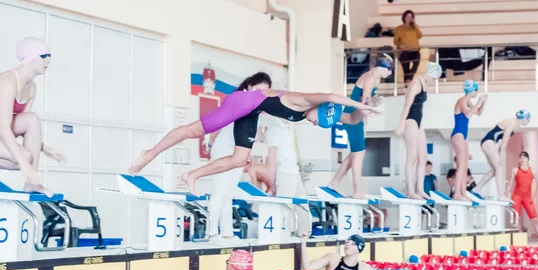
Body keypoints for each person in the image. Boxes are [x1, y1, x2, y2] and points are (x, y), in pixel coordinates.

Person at [129, 80, 385, 194]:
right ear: (318, 108)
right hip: (244, 103)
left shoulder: (313, 113)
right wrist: (362, 104)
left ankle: (191, 175)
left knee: (240, 159)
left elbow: (351, 119)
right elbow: (332, 96)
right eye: (320, 120)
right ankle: (148, 154)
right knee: (194, 130)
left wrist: (367, 106)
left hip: (253, 111)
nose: (318, 125)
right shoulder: (304, 100)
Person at [0, 37, 65, 197]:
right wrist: (25, 165)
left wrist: (46, 149)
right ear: (29, 57)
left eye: (49, 56)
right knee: (24, 157)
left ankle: (32, 184)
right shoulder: (9, 82)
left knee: (32, 119)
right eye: (43, 56)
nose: (48, 60)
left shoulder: (31, 88)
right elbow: (6, 129)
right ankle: (31, 178)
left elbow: (23, 128)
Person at [206, 73, 272, 243]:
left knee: (228, 192)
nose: (260, 94)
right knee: (219, 191)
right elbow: (216, 124)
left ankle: (227, 233)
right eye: (258, 89)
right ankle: (211, 232)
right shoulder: (236, 99)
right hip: (223, 149)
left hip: (238, 152)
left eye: (264, 92)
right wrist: (211, 147)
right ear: (249, 85)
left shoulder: (255, 106)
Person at [328, 54, 393, 198]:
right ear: (382, 67)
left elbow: (366, 101)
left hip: (357, 116)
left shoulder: (374, 78)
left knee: (355, 153)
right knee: (359, 153)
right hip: (353, 115)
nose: (390, 73)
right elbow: (363, 104)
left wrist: (374, 101)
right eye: (389, 70)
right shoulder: (370, 78)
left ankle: (334, 182)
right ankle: (357, 191)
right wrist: (372, 110)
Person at [394, 62, 442, 200]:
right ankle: (410, 191)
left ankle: (419, 189)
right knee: (412, 157)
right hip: (410, 120)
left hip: (418, 121)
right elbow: (407, 103)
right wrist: (401, 124)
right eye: (435, 78)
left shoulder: (424, 84)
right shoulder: (416, 83)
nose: (434, 81)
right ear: (431, 74)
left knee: (424, 157)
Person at [265, 117, 309, 236]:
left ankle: (304, 236)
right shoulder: (274, 127)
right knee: (286, 209)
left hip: (294, 172)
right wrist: (271, 182)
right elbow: (272, 158)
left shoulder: (288, 127)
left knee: (303, 206)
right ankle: (286, 236)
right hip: (284, 173)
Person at [475, 110, 531, 201]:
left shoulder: (515, 126)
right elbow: (504, 142)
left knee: (494, 170)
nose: (529, 121)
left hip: (489, 143)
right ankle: (501, 195)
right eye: (528, 119)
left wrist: (500, 155)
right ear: (523, 118)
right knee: (499, 167)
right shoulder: (511, 123)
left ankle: (477, 188)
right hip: (488, 142)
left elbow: (502, 144)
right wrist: (502, 158)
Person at [450, 80, 487, 201]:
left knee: (465, 166)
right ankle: (457, 194)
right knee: (461, 166)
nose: (477, 93)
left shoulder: (468, 101)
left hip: (463, 135)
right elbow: (468, 115)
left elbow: (479, 113)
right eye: (477, 90)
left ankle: (463, 193)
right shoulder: (462, 101)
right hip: (458, 134)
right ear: (472, 90)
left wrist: (483, 103)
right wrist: (479, 102)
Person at [507, 151, 538, 246]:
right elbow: (510, 184)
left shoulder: (533, 171)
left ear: (528, 160)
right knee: (517, 219)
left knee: (535, 220)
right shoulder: (515, 170)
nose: (522, 159)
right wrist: (506, 195)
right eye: (520, 157)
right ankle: (521, 242)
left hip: (527, 198)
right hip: (517, 196)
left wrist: (534, 197)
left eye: (524, 157)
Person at [300, 234, 374, 270]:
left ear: (359, 249)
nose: (348, 244)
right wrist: (303, 242)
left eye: (353, 243)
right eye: (347, 242)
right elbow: (307, 268)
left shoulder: (365, 269)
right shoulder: (333, 259)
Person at [394, 10, 423, 84]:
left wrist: (416, 26)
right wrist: (400, 45)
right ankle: (407, 86)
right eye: (407, 16)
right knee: (406, 70)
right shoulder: (399, 28)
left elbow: (420, 36)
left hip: (415, 50)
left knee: (416, 63)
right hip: (405, 51)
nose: (409, 18)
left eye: (411, 17)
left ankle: (409, 80)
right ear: (404, 17)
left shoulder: (414, 27)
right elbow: (395, 41)